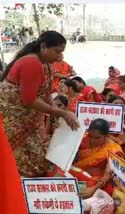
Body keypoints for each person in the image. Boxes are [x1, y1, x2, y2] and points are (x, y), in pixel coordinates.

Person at [0, 31, 79, 177]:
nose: (59, 56)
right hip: (14, 118)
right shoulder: (32, 63)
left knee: (37, 158)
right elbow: (29, 100)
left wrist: (56, 112)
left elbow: (45, 92)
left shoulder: (47, 65)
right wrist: (60, 112)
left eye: (61, 52)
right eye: (57, 51)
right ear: (43, 47)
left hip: (29, 119)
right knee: (20, 160)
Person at [77, 119, 125, 198]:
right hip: (80, 175)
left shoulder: (114, 149)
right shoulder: (85, 139)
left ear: (106, 136)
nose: (92, 140)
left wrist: (93, 189)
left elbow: (108, 174)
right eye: (90, 136)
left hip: (100, 183)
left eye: (97, 138)